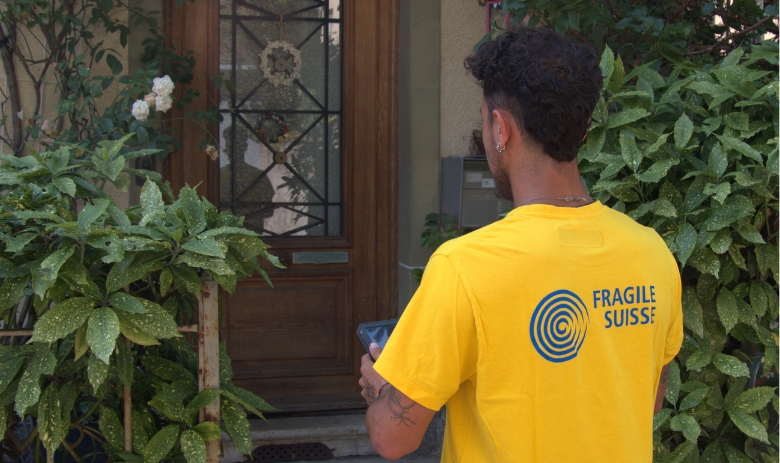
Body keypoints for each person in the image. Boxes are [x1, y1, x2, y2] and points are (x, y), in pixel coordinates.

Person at [359, 27, 683, 462]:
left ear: (500, 127)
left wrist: (382, 389)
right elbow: (650, 401)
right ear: (585, 127)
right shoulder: (652, 253)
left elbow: (392, 439)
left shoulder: (464, 267)